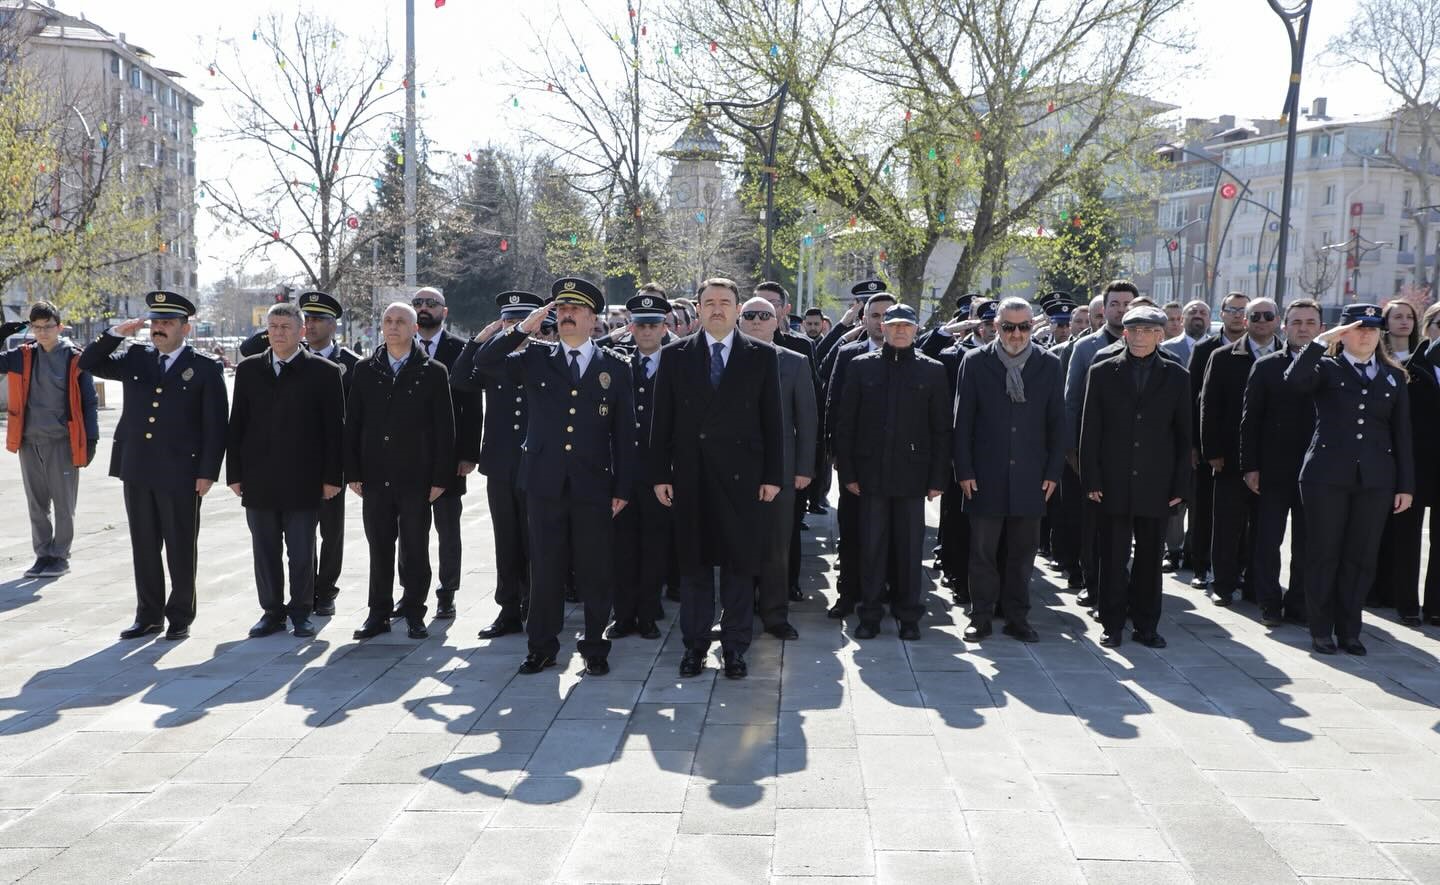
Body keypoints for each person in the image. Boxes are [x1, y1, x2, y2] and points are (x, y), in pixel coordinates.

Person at [470, 278, 635, 675]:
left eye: (576, 309)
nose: (567, 315)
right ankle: (541, 646)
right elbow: (484, 362)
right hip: (544, 483)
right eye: (561, 309)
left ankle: (595, 647)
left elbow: (624, 435)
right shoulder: (535, 357)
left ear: (593, 319)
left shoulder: (614, 367)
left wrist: (623, 487)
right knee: (545, 569)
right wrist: (522, 329)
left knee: (595, 570)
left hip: (593, 485)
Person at [651, 277, 783, 679]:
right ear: (698, 308)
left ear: (738, 309)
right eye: (709, 302)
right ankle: (694, 647)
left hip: (743, 478)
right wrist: (660, 473)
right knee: (694, 567)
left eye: (725, 302)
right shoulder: (674, 355)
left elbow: (773, 421)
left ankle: (735, 647)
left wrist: (773, 475)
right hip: (691, 475)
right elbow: (662, 421)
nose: (717, 309)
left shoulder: (761, 355)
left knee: (739, 567)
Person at [78, 291, 228, 641]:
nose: (159, 329)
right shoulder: (136, 357)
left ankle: (180, 616)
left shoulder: (205, 368)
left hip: (181, 472)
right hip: (138, 467)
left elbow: (216, 425)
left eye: (168, 323)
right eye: (156, 322)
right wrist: (116, 333)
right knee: (144, 546)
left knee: (180, 547)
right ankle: (148, 615)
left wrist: (208, 472)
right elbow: (88, 362)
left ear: (185, 328)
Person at [1283, 303, 1414, 655]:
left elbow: (1402, 434)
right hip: (1326, 477)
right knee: (1323, 554)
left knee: (1361, 557)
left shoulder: (1393, 376)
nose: (1367, 334)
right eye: (1358, 328)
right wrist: (1318, 343)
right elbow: (1294, 381)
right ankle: (1320, 629)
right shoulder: (1326, 368)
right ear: (1342, 334)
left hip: (1375, 480)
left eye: (1373, 328)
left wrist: (1405, 485)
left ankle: (1350, 630)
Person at [226, 302, 344, 639]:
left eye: (286, 327)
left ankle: (301, 611)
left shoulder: (324, 371)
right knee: (265, 550)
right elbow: (237, 424)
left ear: (301, 331)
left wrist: (332, 477)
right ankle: (272, 612)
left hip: (303, 478)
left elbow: (335, 430)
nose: (278, 333)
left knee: (302, 551)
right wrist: (234, 473)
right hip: (259, 478)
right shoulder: (250, 369)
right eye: (273, 327)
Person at [834, 303, 950, 640]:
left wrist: (937, 478)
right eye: (894, 325)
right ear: (882, 328)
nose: (900, 330)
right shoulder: (861, 366)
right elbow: (846, 424)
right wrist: (848, 473)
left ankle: (909, 615)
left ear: (916, 330)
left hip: (912, 477)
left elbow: (942, 429)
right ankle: (869, 614)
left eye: (906, 326)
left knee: (910, 550)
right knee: (871, 548)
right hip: (870, 475)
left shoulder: (932, 370)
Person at [1079, 304, 1191, 649]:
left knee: (1150, 559)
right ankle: (1112, 624)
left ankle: (1146, 625)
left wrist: (1181, 484)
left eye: (1149, 331)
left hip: (1156, 483)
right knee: (1112, 557)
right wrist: (1091, 479)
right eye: (1135, 331)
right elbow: (1090, 431)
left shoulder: (1177, 376)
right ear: (1125, 333)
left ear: (1161, 335)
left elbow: (1184, 435)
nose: (1141, 337)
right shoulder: (1102, 371)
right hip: (1113, 480)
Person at [953, 297, 1064, 642]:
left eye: (1024, 327)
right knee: (982, 553)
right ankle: (981, 617)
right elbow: (962, 422)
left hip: (1031, 476)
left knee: (1022, 555)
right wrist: (964, 470)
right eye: (1008, 327)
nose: (1017, 334)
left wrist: (1053, 472)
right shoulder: (975, 362)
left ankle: (1017, 617)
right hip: (985, 475)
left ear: (1033, 326)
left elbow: (1057, 423)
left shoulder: (1049, 364)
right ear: (995, 327)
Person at [346, 302, 456, 642]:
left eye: (401, 321)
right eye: (388, 321)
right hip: (375, 475)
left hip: (415, 476)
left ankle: (414, 611)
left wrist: (440, 477)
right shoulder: (365, 369)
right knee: (379, 546)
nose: (393, 327)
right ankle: (378, 613)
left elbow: (445, 429)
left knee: (415, 547)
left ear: (413, 328)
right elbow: (353, 424)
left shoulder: (433, 371)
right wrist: (352, 471)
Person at [455, 291, 543, 639]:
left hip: (536, 465)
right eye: (508, 322)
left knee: (535, 539)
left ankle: (536, 605)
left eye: (521, 321)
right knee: (506, 540)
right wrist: (478, 340)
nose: (513, 328)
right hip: (502, 464)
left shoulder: (544, 356)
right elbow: (460, 379)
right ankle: (508, 608)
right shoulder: (493, 360)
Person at [399, 287, 483, 621]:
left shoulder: (460, 350)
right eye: (418, 303)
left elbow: (472, 407)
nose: (424, 308)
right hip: (408, 458)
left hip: (448, 457)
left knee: (448, 530)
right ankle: (410, 592)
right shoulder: (396, 347)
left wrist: (468, 454)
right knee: (409, 530)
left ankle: (447, 592)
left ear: (444, 312)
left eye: (431, 303)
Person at [0, 302, 99, 579]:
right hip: (29, 440)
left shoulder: (75, 358)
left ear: (60, 326)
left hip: (62, 441)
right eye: (37, 327)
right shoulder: (23, 355)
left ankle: (60, 556)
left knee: (64, 503)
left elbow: (89, 401)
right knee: (37, 503)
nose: (42, 332)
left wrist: (91, 438)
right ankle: (43, 554)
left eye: (48, 327)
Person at [738, 296, 817, 640]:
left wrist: (804, 468)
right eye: (749, 315)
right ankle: (737, 612)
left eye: (763, 315)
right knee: (737, 546)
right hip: (736, 471)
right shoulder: (725, 358)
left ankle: (775, 614)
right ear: (740, 320)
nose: (756, 321)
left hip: (781, 470)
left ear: (777, 321)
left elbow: (807, 420)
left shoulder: (795, 362)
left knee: (776, 548)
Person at [1240, 299, 1321, 626]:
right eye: (1297, 322)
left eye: (1310, 322)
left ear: (1321, 328)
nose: (1303, 328)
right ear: (1285, 326)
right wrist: (1250, 466)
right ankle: (1269, 602)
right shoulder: (1266, 366)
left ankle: (1299, 602)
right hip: (1273, 470)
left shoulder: (1332, 366)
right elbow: (1250, 421)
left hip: (1317, 472)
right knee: (1267, 540)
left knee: (1308, 542)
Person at [819, 284, 896, 618]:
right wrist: (835, 453)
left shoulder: (914, 353)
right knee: (851, 530)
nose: (881, 322)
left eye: (887, 316)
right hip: (857, 463)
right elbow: (833, 404)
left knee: (895, 533)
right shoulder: (849, 354)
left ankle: (888, 592)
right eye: (874, 316)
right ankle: (848, 594)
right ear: (863, 320)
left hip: (898, 464)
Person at [1200, 297, 1280, 607]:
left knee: (1265, 528)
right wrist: (1212, 451)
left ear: (1277, 320)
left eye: (1267, 315)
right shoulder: (1222, 357)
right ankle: (1223, 583)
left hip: (1273, 459)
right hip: (1231, 458)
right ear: (1245, 321)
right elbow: (1208, 406)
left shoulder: (1290, 356)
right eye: (1254, 316)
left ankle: (1256, 584)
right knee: (1227, 526)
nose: (1261, 321)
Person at [1064, 280, 1138, 609]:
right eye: (1115, 304)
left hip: (1134, 454)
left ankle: (1123, 584)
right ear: (1103, 309)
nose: (1121, 310)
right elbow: (1072, 400)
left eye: (1127, 304)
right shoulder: (1085, 348)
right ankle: (1092, 583)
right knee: (1092, 524)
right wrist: (1072, 450)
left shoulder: (1149, 343)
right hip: (1094, 451)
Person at [608, 291, 675, 640]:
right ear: (630, 328)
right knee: (621, 548)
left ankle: (647, 615)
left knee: (654, 548)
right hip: (623, 473)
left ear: (664, 328)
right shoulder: (617, 364)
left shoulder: (677, 365)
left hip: (659, 475)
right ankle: (622, 616)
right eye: (640, 325)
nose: (647, 331)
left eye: (653, 325)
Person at [293, 291, 362, 617]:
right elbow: (251, 348)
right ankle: (304, 590)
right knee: (300, 530)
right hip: (299, 460)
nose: (311, 325)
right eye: (306, 319)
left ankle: (326, 590)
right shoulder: (292, 357)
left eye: (318, 319)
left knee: (331, 532)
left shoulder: (351, 364)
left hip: (334, 459)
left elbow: (357, 418)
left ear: (334, 325)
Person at [1187, 292, 1249, 590]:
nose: (1237, 315)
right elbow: (1193, 397)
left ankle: (1239, 567)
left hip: (1245, 448)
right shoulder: (1205, 349)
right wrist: (1194, 444)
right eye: (1231, 309)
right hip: (1209, 445)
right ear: (1221, 313)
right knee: (1204, 509)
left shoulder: (1260, 347)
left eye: (1243, 310)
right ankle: (1201, 565)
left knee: (1242, 515)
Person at [1385, 330, 1440, 625]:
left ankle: (1436, 606)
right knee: (1407, 537)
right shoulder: (1409, 368)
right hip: (1414, 466)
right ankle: (1405, 603)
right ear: (1429, 328)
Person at [1160, 299, 1211, 571]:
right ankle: (1173, 549)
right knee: (1175, 498)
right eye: (1193, 312)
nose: (1198, 316)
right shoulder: (1167, 349)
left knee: (1200, 501)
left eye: (1203, 312)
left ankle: (1194, 550)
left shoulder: (1217, 348)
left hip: (1205, 439)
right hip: (1174, 436)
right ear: (1183, 318)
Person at [1383, 299, 1420, 363]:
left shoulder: (1423, 356)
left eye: (1410, 317)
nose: (1405, 322)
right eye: (1398, 317)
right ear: (1386, 323)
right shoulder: (1376, 357)